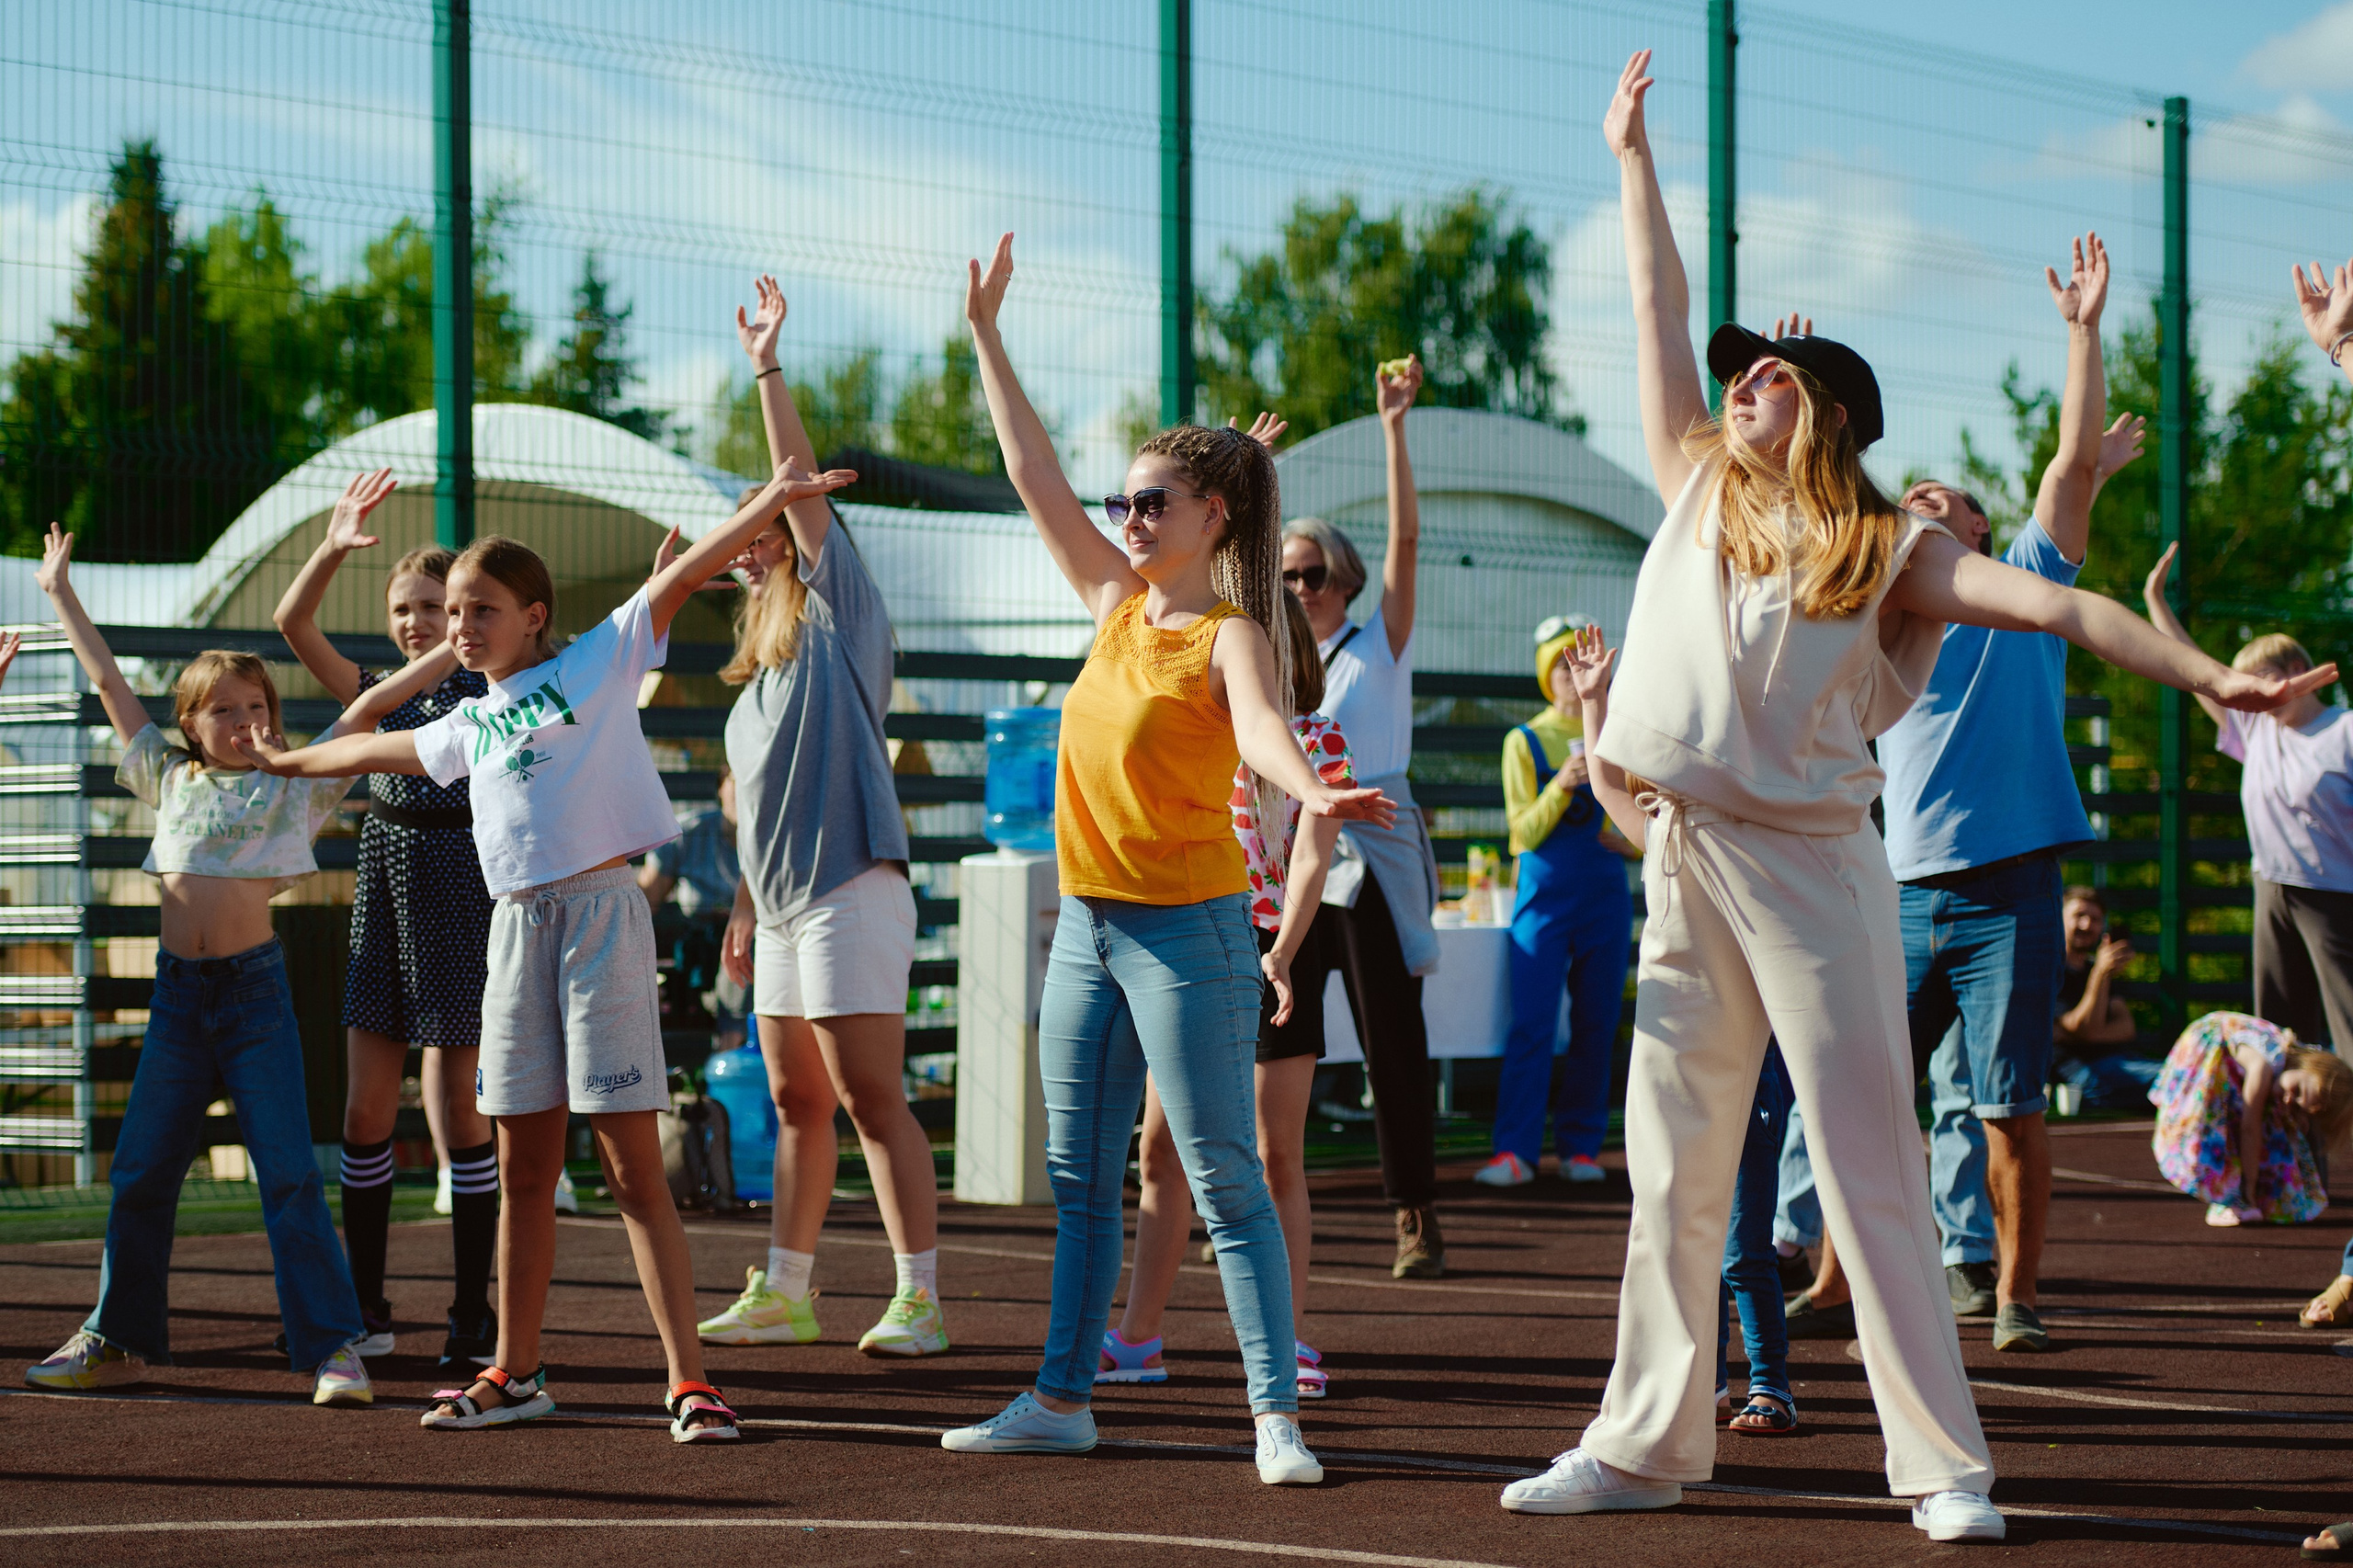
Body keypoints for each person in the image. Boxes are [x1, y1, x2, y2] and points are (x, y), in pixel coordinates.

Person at [1497, 51, 2335, 1543]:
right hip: (1684, 863)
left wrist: (2212, 677)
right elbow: (1653, 306)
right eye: (1739, 369)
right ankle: (1642, 1441)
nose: (1736, 378)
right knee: (1676, 1173)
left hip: (1823, 874)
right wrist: (1629, 157)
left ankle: (1946, 1471)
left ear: (1820, 412)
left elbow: (2071, 609)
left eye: (1767, 374)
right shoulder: (1697, 480)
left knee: (1875, 1172)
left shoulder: (1889, 549)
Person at [233, 453, 857, 1442]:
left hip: (601, 918)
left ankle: (688, 1379)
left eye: (482, 610)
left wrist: (776, 501)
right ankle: (516, 1369)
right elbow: (364, 747)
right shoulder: (468, 721)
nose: (460, 628)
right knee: (523, 1169)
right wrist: (287, 757)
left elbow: (686, 572)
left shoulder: (596, 661)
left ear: (534, 614)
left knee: (630, 1166)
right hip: (513, 931)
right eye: (453, 616)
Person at [938, 233, 1390, 1485]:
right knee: (1081, 1177)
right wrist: (986, 334)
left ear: (1213, 518)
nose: (1128, 517)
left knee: (1224, 1176)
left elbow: (1263, 733)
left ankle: (1274, 1417)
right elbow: (1029, 473)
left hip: (1190, 932)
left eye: (1153, 502)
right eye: (1125, 500)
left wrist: (1315, 789)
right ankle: (1061, 1395)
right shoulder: (1116, 603)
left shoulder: (1232, 631)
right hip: (1087, 925)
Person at [1861, 232, 2143, 1355]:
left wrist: (2079, 333)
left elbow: (2071, 469)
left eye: (1946, 499)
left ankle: (2016, 1298)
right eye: (1911, 497)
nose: (1924, 501)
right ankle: (1843, 1283)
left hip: (2010, 888)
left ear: (1978, 534)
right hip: (1899, 889)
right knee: (1870, 1101)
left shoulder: (2025, 583)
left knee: (2007, 1103)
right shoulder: (1881, 607)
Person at [22, 526, 379, 1407]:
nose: (246, 722)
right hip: (180, 1005)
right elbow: (107, 679)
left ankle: (334, 1348)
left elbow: (367, 711)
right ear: (190, 724)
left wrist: (444, 658)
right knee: (142, 1169)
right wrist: (60, 592)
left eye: (257, 707)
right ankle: (115, 1333)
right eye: (225, 709)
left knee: (291, 1173)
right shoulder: (166, 775)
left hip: (258, 997)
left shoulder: (294, 783)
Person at [691, 278, 945, 1358]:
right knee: (798, 1097)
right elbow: (750, 812)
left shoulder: (843, 622)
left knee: (867, 1091)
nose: (748, 544)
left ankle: (920, 1296)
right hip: (783, 903)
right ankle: (788, 1290)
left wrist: (765, 367)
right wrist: (746, 903)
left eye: (764, 530)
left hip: (852, 883)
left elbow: (796, 491)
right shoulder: (751, 689)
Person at [271, 469, 502, 1369]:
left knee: (455, 1115)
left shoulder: (487, 689)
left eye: (435, 605)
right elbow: (292, 626)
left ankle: (472, 1314)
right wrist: (331, 545)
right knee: (366, 1107)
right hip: (383, 887)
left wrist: (455, 643)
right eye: (404, 606)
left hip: (460, 892)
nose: (416, 619)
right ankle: (364, 1305)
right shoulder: (374, 689)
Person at [1099, 587, 1353, 1398]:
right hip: (1194, 939)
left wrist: (1282, 949)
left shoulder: (1314, 737)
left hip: (1277, 946)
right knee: (1160, 1149)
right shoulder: (1194, 721)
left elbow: (1312, 859)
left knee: (1276, 1154)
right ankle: (1138, 1337)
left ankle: (1291, 1341)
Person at [1563, 626, 1794, 1435]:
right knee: (1683, 1233)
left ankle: (1770, 1383)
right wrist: (1594, 704)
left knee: (1741, 1241)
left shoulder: (1754, 850)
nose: (1659, 789)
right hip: (1684, 1060)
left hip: (1757, 1063)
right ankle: (1711, 1383)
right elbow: (1603, 784)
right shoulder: (1660, 839)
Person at [1278, 358, 1448, 1278]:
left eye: (1309, 574)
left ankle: (1413, 1211)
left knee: (1393, 1039)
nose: (1297, 587)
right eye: (1287, 575)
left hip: (1372, 845)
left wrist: (1392, 426)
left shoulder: (1378, 640)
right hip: (1295, 851)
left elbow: (1409, 541)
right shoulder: (1268, 661)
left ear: (1340, 577)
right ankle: (1274, 1194)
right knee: (1280, 1023)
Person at [2145, 575, 2353, 1051]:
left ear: (2296, 669)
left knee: (2348, 1017)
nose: (2246, 694)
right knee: (2280, 1032)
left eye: (2257, 679)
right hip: (2271, 889)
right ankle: (2288, 1125)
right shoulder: (2254, 728)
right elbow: (2188, 667)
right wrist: (2155, 603)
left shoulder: (2344, 731)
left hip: (2336, 893)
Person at [1475, 613, 1639, 1188]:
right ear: (1549, 674)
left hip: (1604, 897)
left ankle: (1582, 1147)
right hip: (1541, 898)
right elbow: (1520, 833)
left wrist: (1627, 841)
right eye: (1564, 663)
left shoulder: (1620, 734)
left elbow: (1639, 825)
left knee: (1598, 1022)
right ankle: (1514, 1151)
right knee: (1534, 1024)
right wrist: (1561, 785)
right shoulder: (1521, 740)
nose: (1577, 671)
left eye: (1583, 658)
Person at [2149, 1010, 2351, 1226]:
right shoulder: (2263, 1066)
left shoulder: (2285, 1068)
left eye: (2300, 1107)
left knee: (2274, 1120)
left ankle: (2244, 1194)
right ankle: (2230, 1197)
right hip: (2204, 1048)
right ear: (2307, 1065)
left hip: (2224, 1054)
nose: (2289, 1098)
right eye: (2297, 1090)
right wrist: (2249, 1188)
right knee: (2210, 1121)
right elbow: (2249, 1128)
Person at [641, 764, 746, 1054]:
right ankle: (729, 1052)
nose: (745, 792)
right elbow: (645, 902)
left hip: (755, 945)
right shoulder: (689, 834)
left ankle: (730, 1052)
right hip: (703, 948)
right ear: (721, 787)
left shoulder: (776, 839)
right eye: (737, 781)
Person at [2052, 885, 2160, 1110]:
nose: (2087, 925)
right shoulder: (2047, 971)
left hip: (2120, 1063)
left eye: (2095, 918)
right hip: (2082, 1077)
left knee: (2185, 1073)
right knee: (2181, 1079)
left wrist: (2077, 1035)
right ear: (2058, 917)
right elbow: (2085, 1028)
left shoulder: (2096, 967)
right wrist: (2100, 974)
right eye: (2079, 915)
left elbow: (2126, 1027)